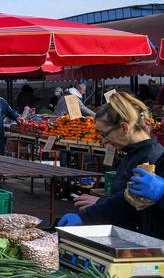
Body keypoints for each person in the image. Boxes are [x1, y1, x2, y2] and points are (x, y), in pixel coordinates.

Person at [58, 92, 164, 238]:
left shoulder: (151, 158)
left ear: (124, 128)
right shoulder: (133, 155)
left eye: (105, 134)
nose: (104, 141)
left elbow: (132, 206)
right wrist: (99, 207)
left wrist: (92, 214)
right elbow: (127, 197)